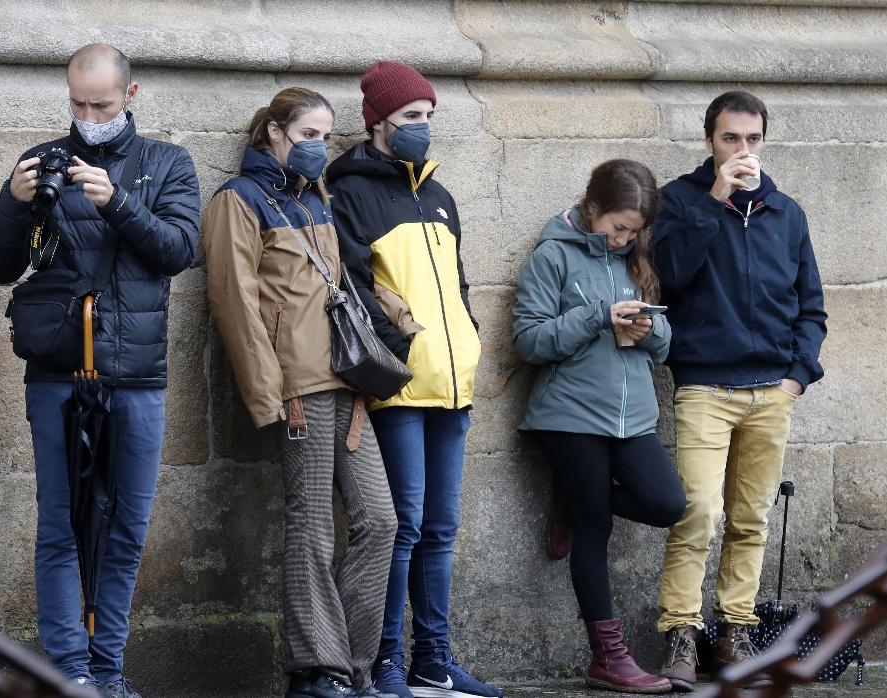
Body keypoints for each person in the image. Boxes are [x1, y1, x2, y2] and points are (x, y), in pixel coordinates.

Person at [0, 43, 200, 698]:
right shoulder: (40, 162)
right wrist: (14, 202)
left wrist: (117, 204)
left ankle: (108, 671)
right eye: (77, 104)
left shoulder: (167, 163)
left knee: (126, 526)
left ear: (130, 95)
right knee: (60, 525)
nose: (88, 115)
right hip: (57, 373)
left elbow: (180, 250)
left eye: (101, 105)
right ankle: (70, 672)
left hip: (136, 375)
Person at [201, 87, 397, 698]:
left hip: (347, 380)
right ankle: (316, 671)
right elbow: (235, 304)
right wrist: (268, 394)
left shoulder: (316, 198)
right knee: (312, 527)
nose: (318, 147)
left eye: (325, 137)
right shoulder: (238, 200)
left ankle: (355, 667)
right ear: (273, 133)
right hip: (298, 389)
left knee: (381, 521)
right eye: (308, 135)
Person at [327, 60, 500, 698]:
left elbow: (454, 287)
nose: (422, 129)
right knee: (404, 527)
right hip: (399, 388)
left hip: (453, 387)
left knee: (441, 529)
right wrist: (399, 347)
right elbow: (349, 286)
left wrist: (470, 341)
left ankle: (434, 655)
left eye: (427, 117)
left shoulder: (441, 196)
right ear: (378, 122)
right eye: (409, 119)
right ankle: (387, 659)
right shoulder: (349, 193)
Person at [652, 91, 827, 691]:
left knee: (750, 518)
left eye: (752, 139)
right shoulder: (679, 200)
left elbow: (811, 305)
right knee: (697, 512)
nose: (742, 151)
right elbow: (669, 274)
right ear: (710, 141)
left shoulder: (788, 212)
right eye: (731, 139)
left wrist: (797, 375)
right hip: (705, 386)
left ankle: (737, 631)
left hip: (771, 390)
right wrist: (717, 198)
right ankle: (680, 633)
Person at [514, 160, 684, 694]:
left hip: (631, 418)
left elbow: (666, 343)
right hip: (569, 415)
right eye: (617, 227)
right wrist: (597, 317)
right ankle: (608, 659)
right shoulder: (552, 255)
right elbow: (529, 341)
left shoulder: (635, 259)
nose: (624, 238)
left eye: (634, 231)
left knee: (668, 504)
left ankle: (579, 496)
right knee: (595, 529)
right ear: (592, 209)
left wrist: (648, 330)